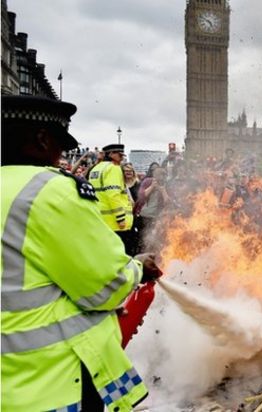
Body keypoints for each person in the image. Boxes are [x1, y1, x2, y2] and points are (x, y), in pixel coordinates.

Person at [1, 95, 161, 411]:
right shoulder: (51, 190)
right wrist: (138, 268)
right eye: (59, 144)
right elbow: (106, 288)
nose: (60, 154)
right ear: (41, 138)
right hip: (50, 382)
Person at [88, 143, 135, 253]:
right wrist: (120, 218)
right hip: (116, 224)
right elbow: (113, 194)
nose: (122, 158)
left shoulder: (96, 169)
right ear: (111, 154)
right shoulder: (113, 168)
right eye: (120, 155)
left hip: (102, 220)